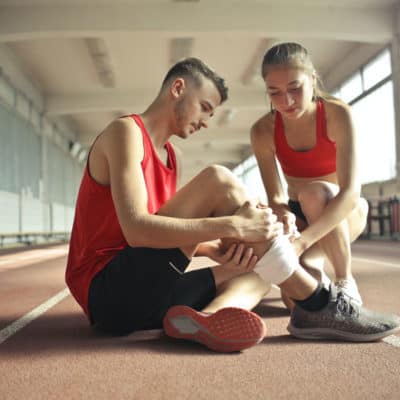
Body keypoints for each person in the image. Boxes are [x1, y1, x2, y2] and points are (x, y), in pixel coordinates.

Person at [66, 57, 399, 353]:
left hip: (145, 301)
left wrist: (215, 248)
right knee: (217, 179)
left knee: (258, 264)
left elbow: (160, 237)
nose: (207, 122)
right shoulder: (126, 132)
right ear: (178, 88)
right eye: (206, 107)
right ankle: (318, 302)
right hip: (109, 294)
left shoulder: (172, 157)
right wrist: (232, 226)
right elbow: (137, 231)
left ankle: (210, 317)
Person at [251, 42, 368, 309]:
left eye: (295, 88)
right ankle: (315, 266)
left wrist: (303, 243)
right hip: (300, 217)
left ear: (313, 80)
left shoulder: (338, 114)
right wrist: (283, 215)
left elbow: (350, 192)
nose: (286, 101)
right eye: (275, 92)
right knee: (295, 302)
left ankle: (344, 280)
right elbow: (277, 196)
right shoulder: (262, 131)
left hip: (343, 210)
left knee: (314, 193)